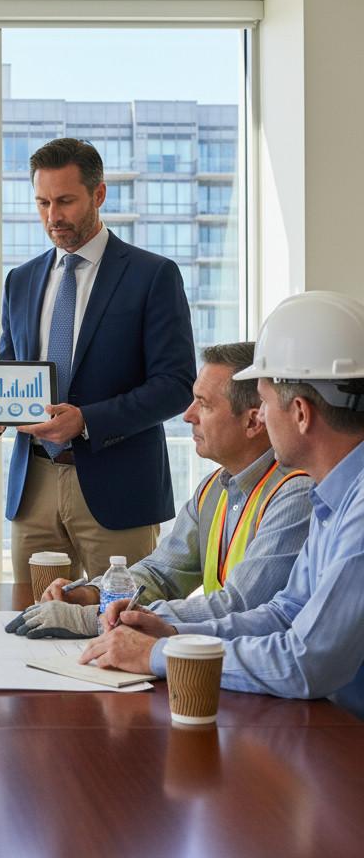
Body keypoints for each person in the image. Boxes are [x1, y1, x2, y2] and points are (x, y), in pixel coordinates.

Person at [80, 291, 364, 719]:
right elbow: (285, 612)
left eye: (265, 404)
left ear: (301, 413)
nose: (262, 419)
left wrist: (160, 654)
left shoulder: (352, 507)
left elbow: (306, 662)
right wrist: (175, 631)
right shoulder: (335, 496)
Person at [0, 137, 196, 584]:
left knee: (119, 625)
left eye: (66, 201)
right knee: (32, 620)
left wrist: (85, 420)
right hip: (32, 485)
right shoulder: (21, 280)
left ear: (99, 194)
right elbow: (12, 365)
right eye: (43, 202)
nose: (53, 217)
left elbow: (175, 383)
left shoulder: (152, 275)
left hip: (118, 490)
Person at [9, 342, 312, 638]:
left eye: (203, 404)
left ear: (253, 421)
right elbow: (160, 573)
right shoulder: (213, 488)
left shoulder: (296, 494)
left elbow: (240, 606)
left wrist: (97, 619)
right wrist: (90, 593)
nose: (188, 415)